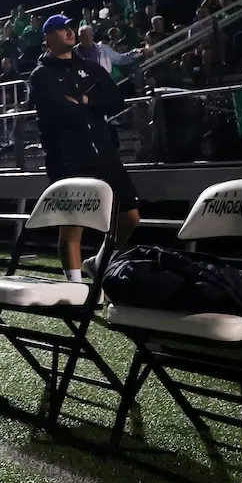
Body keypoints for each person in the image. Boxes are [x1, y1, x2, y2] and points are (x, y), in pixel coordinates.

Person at [29, 15, 141, 282]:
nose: (70, 31)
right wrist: (91, 106)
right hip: (68, 158)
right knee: (72, 226)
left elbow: (116, 100)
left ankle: (101, 261)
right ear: (48, 38)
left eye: (71, 27)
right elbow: (60, 111)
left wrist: (86, 100)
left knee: (130, 216)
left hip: (104, 152)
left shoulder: (90, 67)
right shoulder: (41, 75)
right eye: (62, 29)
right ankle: (75, 287)